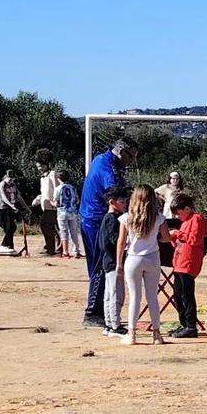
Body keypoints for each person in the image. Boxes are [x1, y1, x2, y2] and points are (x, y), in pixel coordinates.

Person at [81, 136, 137, 325]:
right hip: (99, 220)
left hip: (89, 217)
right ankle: (92, 313)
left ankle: (100, 310)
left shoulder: (100, 159)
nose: (131, 162)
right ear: (122, 152)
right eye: (131, 157)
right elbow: (115, 192)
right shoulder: (109, 169)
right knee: (102, 265)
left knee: (98, 266)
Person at [116, 183, 171, 346]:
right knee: (152, 297)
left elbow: (121, 241)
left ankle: (132, 334)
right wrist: (157, 238)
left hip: (133, 259)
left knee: (135, 297)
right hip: (152, 257)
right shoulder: (158, 217)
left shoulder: (127, 218)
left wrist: (119, 263)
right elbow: (166, 238)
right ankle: (156, 334)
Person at [168, 193, 207, 338]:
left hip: (188, 263)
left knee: (187, 295)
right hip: (179, 262)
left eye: (178, 213)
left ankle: (191, 326)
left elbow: (194, 240)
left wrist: (177, 234)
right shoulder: (185, 222)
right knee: (177, 295)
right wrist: (173, 238)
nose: (178, 217)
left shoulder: (196, 219)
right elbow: (181, 243)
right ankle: (184, 323)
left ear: (186, 209)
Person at [97, 186, 130, 335]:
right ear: (112, 202)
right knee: (116, 294)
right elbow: (115, 240)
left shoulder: (109, 219)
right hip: (112, 261)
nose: (124, 204)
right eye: (121, 201)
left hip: (109, 260)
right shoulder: (112, 219)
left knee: (110, 294)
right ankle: (114, 325)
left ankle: (109, 323)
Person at [0, 169, 30, 252]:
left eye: (12, 178)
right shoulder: (1, 185)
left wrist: (26, 208)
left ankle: (8, 246)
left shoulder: (13, 185)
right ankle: (5, 246)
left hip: (10, 209)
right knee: (9, 228)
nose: (10, 180)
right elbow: (4, 197)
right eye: (9, 178)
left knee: (12, 227)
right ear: (5, 177)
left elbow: (19, 197)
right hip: (1, 210)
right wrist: (12, 206)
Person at [54, 169, 84, 258]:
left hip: (62, 212)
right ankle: (76, 251)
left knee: (64, 232)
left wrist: (50, 202)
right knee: (74, 231)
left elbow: (57, 202)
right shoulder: (72, 188)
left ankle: (65, 251)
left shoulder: (58, 188)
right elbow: (77, 200)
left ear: (59, 178)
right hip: (73, 212)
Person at [35, 151, 60, 256]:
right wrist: (38, 199)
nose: (39, 168)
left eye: (40, 165)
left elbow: (56, 188)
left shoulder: (52, 174)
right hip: (45, 207)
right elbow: (44, 192)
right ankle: (54, 247)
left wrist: (55, 201)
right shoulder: (42, 177)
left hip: (52, 207)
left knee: (45, 225)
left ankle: (50, 249)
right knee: (51, 228)